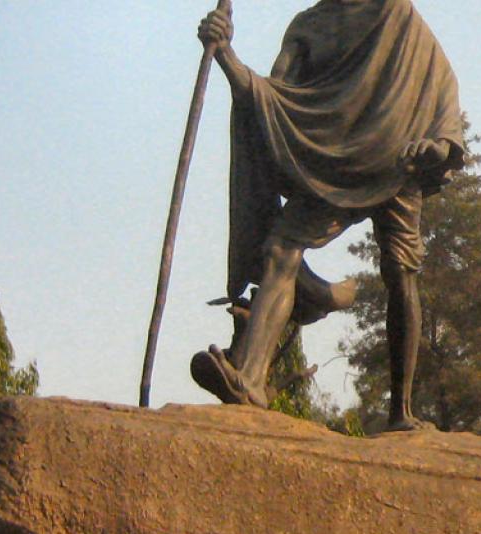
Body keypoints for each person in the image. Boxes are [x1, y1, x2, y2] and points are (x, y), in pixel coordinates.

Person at [190, 0, 466, 433]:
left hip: (399, 159)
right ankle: (250, 377)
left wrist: (441, 145)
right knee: (281, 246)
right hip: (336, 163)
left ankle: (401, 411)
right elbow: (270, 102)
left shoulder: (399, 17)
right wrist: (224, 53)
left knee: (400, 274)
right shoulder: (307, 27)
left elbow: (444, 93)